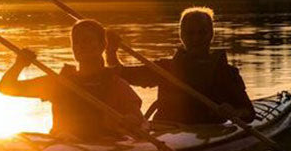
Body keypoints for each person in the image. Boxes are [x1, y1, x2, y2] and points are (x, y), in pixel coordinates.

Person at [0, 18, 143, 141]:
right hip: (63, 145)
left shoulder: (115, 84)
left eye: (86, 41)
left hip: (103, 145)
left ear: (102, 46)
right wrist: (19, 64)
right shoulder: (59, 82)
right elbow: (6, 87)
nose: (80, 46)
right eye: (76, 42)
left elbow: (137, 116)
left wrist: (132, 120)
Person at [106, 7, 255, 125]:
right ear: (181, 35)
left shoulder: (226, 72)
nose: (196, 38)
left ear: (211, 34)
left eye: (202, 33)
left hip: (208, 131)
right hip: (165, 132)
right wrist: (111, 51)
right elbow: (120, 73)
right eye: (190, 33)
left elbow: (248, 112)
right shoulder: (164, 69)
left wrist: (235, 113)